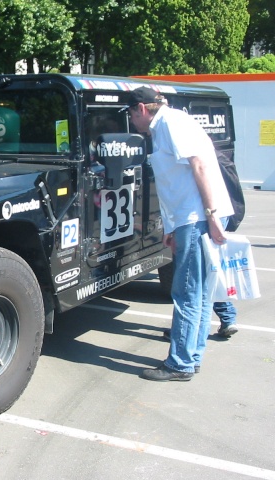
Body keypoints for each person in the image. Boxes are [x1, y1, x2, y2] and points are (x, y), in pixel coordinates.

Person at [125, 87, 234, 381]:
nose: (132, 122)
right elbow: (174, 180)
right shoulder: (164, 127)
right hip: (188, 219)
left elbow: (199, 165)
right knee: (196, 292)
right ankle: (191, 357)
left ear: (141, 109)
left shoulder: (171, 124)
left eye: (131, 115)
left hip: (197, 217)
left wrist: (210, 216)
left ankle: (180, 364)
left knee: (186, 292)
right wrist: (171, 228)